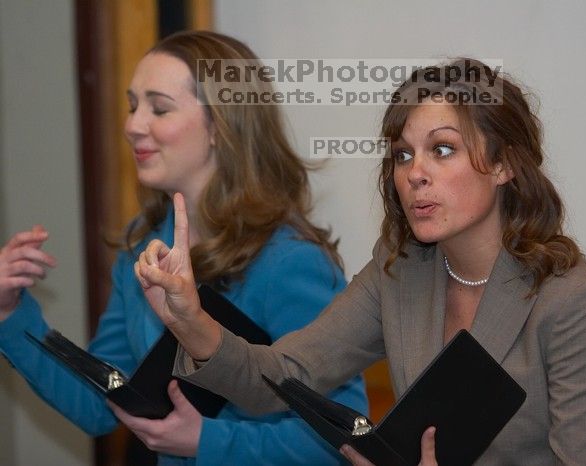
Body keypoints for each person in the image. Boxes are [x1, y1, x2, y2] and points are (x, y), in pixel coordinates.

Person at [134, 59, 586, 465]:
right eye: (402, 155)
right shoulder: (401, 271)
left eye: (442, 150)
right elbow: (282, 378)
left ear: (504, 165)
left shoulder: (577, 302)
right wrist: (190, 319)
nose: (416, 173)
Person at [0, 30, 367, 466]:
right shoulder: (142, 250)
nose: (133, 125)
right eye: (133, 105)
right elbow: (101, 404)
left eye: (159, 108)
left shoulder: (290, 262)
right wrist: (9, 313)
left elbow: (343, 436)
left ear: (220, 126)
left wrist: (207, 441)